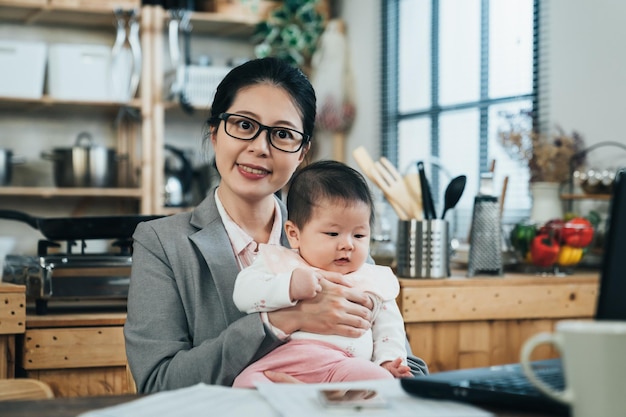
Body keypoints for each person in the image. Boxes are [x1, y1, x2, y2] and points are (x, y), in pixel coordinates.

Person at [124, 57, 427, 393]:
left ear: (302, 152)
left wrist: (331, 398)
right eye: (243, 125)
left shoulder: (337, 235)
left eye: (282, 134)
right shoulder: (162, 243)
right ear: (214, 133)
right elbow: (157, 384)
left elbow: (406, 364)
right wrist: (283, 320)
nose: (259, 147)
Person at [232, 160, 412, 388]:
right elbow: (243, 293)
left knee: (380, 381)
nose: (347, 245)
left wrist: (388, 361)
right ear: (294, 234)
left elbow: (389, 329)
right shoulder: (283, 263)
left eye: (359, 236)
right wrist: (290, 286)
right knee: (244, 382)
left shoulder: (371, 278)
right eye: (332, 233)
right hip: (285, 361)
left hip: (344, 365)